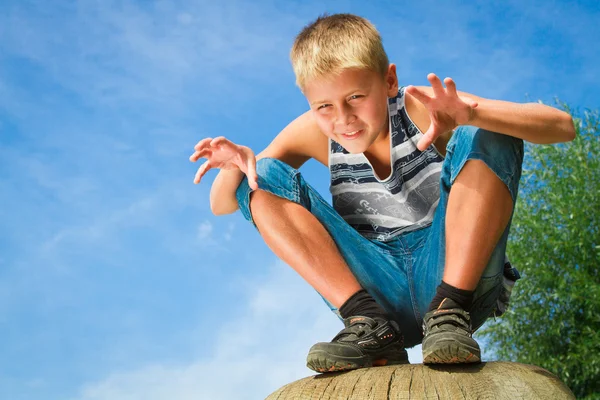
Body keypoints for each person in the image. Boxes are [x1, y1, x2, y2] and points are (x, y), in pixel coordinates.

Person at [189, 14, 575, 373]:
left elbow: (562, 127)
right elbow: (223, 204)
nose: (343, 118)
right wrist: (233, 167)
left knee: (489, 127)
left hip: (450, 274)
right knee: (265, 173)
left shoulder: (419, 106)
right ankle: (367, 323)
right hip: (377, 293)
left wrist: (471, 114)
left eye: (356, 97)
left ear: (389, 81)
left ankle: (448, 308)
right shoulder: (313, 131)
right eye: (325, 105)